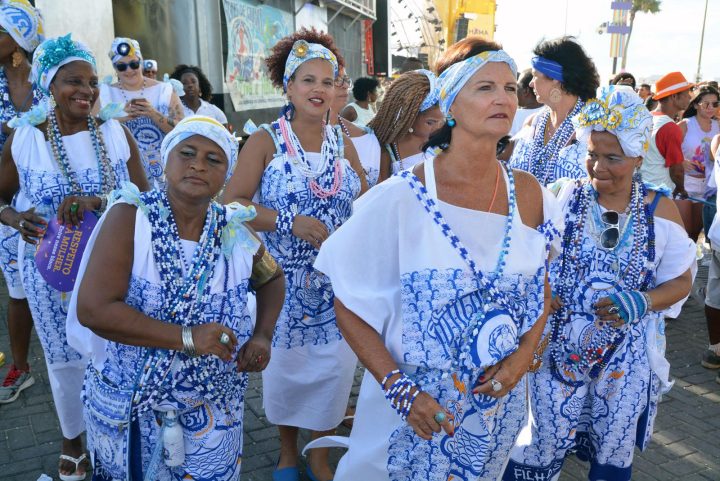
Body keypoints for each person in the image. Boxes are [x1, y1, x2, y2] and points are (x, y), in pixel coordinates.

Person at [315, 36, 561, 481]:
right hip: (415, 414)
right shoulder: (401, 196)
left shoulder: (529, 194)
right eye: (484, 87)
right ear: (449, 102)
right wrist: (402, 392)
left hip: (494, 414)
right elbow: (346, 304)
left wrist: (525, 354)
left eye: (509, 87)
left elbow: (540, 288)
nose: (503, 97)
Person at [65, 115, 284, 480]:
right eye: (187, 152)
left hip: (215, 403)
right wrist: (188, 337)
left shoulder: (233, 228)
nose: (199, 164)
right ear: (165, 160)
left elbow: (272, 279)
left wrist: (262, 334)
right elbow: (94, 309)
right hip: (133, 401)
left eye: (214, 159)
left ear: (226, 174)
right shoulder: (130, 218)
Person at [504, 85, 694, 481]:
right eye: (592, 154)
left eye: (613, 157)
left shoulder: (661, 209)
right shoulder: (561, 195)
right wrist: (543, 290)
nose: (598, 167)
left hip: (625, 360)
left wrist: (641, 301)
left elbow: (681, 280)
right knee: (541, 442)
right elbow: (523, 258)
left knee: (612, 446)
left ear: (639, 156)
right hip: (556, 352)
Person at [0, 34, 149, 481]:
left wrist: (97, 203)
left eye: (91, 82)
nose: (86, 90)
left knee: (115, 350)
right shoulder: (26, 137)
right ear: (48, 84)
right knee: (64, 358)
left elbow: (143, 197)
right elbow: (1, 195)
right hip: (50, 270)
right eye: (72, 81)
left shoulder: (113, 132)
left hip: (111, 264)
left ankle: (119, 432)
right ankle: (72, 443)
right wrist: (14, 216)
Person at [222, 28, 367, 481]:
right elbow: (231, 205)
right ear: (287, 86)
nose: (319, 90)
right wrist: (289, 221)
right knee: (286, 375)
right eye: (308, 80)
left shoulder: (342, 140)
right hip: (280, 289)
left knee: (333, 374)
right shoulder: (266, 140)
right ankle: (287, 450)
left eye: (327, 81)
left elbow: (365, 195)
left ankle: (319, 454)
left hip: (335, 290)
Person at [0, 0, 44, 405]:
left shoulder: (46, 77)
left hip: (48, 197)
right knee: (17, 291)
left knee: (65, 282)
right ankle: (20, 367)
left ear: (17, 41)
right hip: (5, 201)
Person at [507, 36, 600, 185]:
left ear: (555, 78)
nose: (531, 84)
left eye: (535, 76)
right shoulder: (533, 122)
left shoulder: (593, 128)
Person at [97, 37, 185, 188]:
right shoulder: (104, 93)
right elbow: (92, 131)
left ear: (141, 62)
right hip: (123, 173)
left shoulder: (165, 90)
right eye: (121, 67)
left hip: (163, 172)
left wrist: (153, 113)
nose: (129, 70)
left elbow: (182, 131)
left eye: (134, 64)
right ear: (115, 68)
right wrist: (122, 117)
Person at [370, 70, 443, 182]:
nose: (438, 128)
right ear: (409, 118)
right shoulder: (388, 148)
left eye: (441, 121)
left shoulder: (442, 143)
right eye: (430, 123)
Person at [639, 72, 693, 204]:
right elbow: (677, 171)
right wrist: (681, 189)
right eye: (686, 95)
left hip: (639, 189)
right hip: (658, 194)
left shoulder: (645, 118)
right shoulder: (670, 127)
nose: (690, 98)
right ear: (674, 96)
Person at [677, 85, 720, 241]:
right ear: (695, 104)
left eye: (715, 104)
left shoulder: (718, 126)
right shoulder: (685, 125)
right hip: (686, 183)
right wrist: (680, 161)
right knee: (684, 232)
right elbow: (668, 151)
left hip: (709, 186)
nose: (711, 108)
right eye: (706, 104)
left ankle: (693, 263)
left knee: (696, 232)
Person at [331, 67, 382, 188]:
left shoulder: (370, 108)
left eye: (346, 80)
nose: (377, 94)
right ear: (368, 93)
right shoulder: (351, 110)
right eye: (337, 80)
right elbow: (337, 126)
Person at [170, 64, 229, 128]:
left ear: (200, 87)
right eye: (184, 83)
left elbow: (226, 135)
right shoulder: (175, 111)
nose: (190, 85)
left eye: (193, 81)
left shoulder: (214, 111)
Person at [510, 68, 543, 136]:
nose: (515, 91)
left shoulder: (512, 116)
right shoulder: (550, 113)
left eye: (517, 87)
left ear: (526, 91)